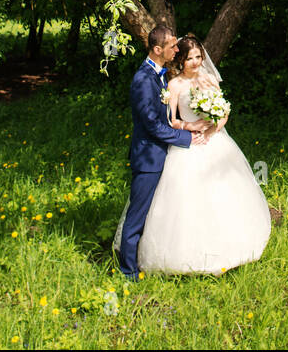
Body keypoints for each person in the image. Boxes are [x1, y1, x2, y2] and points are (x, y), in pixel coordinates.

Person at [113, 32, 271, 276]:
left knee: (222, 198)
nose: (192, 59)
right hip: (177, 148)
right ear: (161, 51)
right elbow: (164, 121)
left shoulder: (196, 79)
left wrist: (213, 126)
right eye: (185, 55)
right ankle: (130, 269)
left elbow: (223, 111)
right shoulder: (162, 82)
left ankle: (224, 249)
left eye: (198, 56)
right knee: (174, 204)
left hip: (213, 142)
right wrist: (189, 130)